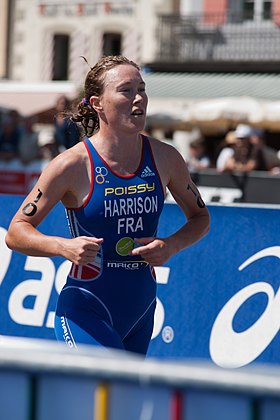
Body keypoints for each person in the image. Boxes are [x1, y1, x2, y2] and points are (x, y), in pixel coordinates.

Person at [5, 55, 210, 356]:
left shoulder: (166, 157)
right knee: (105, 397)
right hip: (87, 309)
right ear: (98, 103)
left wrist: (171, 245)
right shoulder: (71, 165)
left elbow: (201, 217)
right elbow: (15, 232)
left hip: (141, 310)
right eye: (126, 90)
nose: (139, 98)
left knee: (123, 404)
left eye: (142, 89)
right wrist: (63, 247)